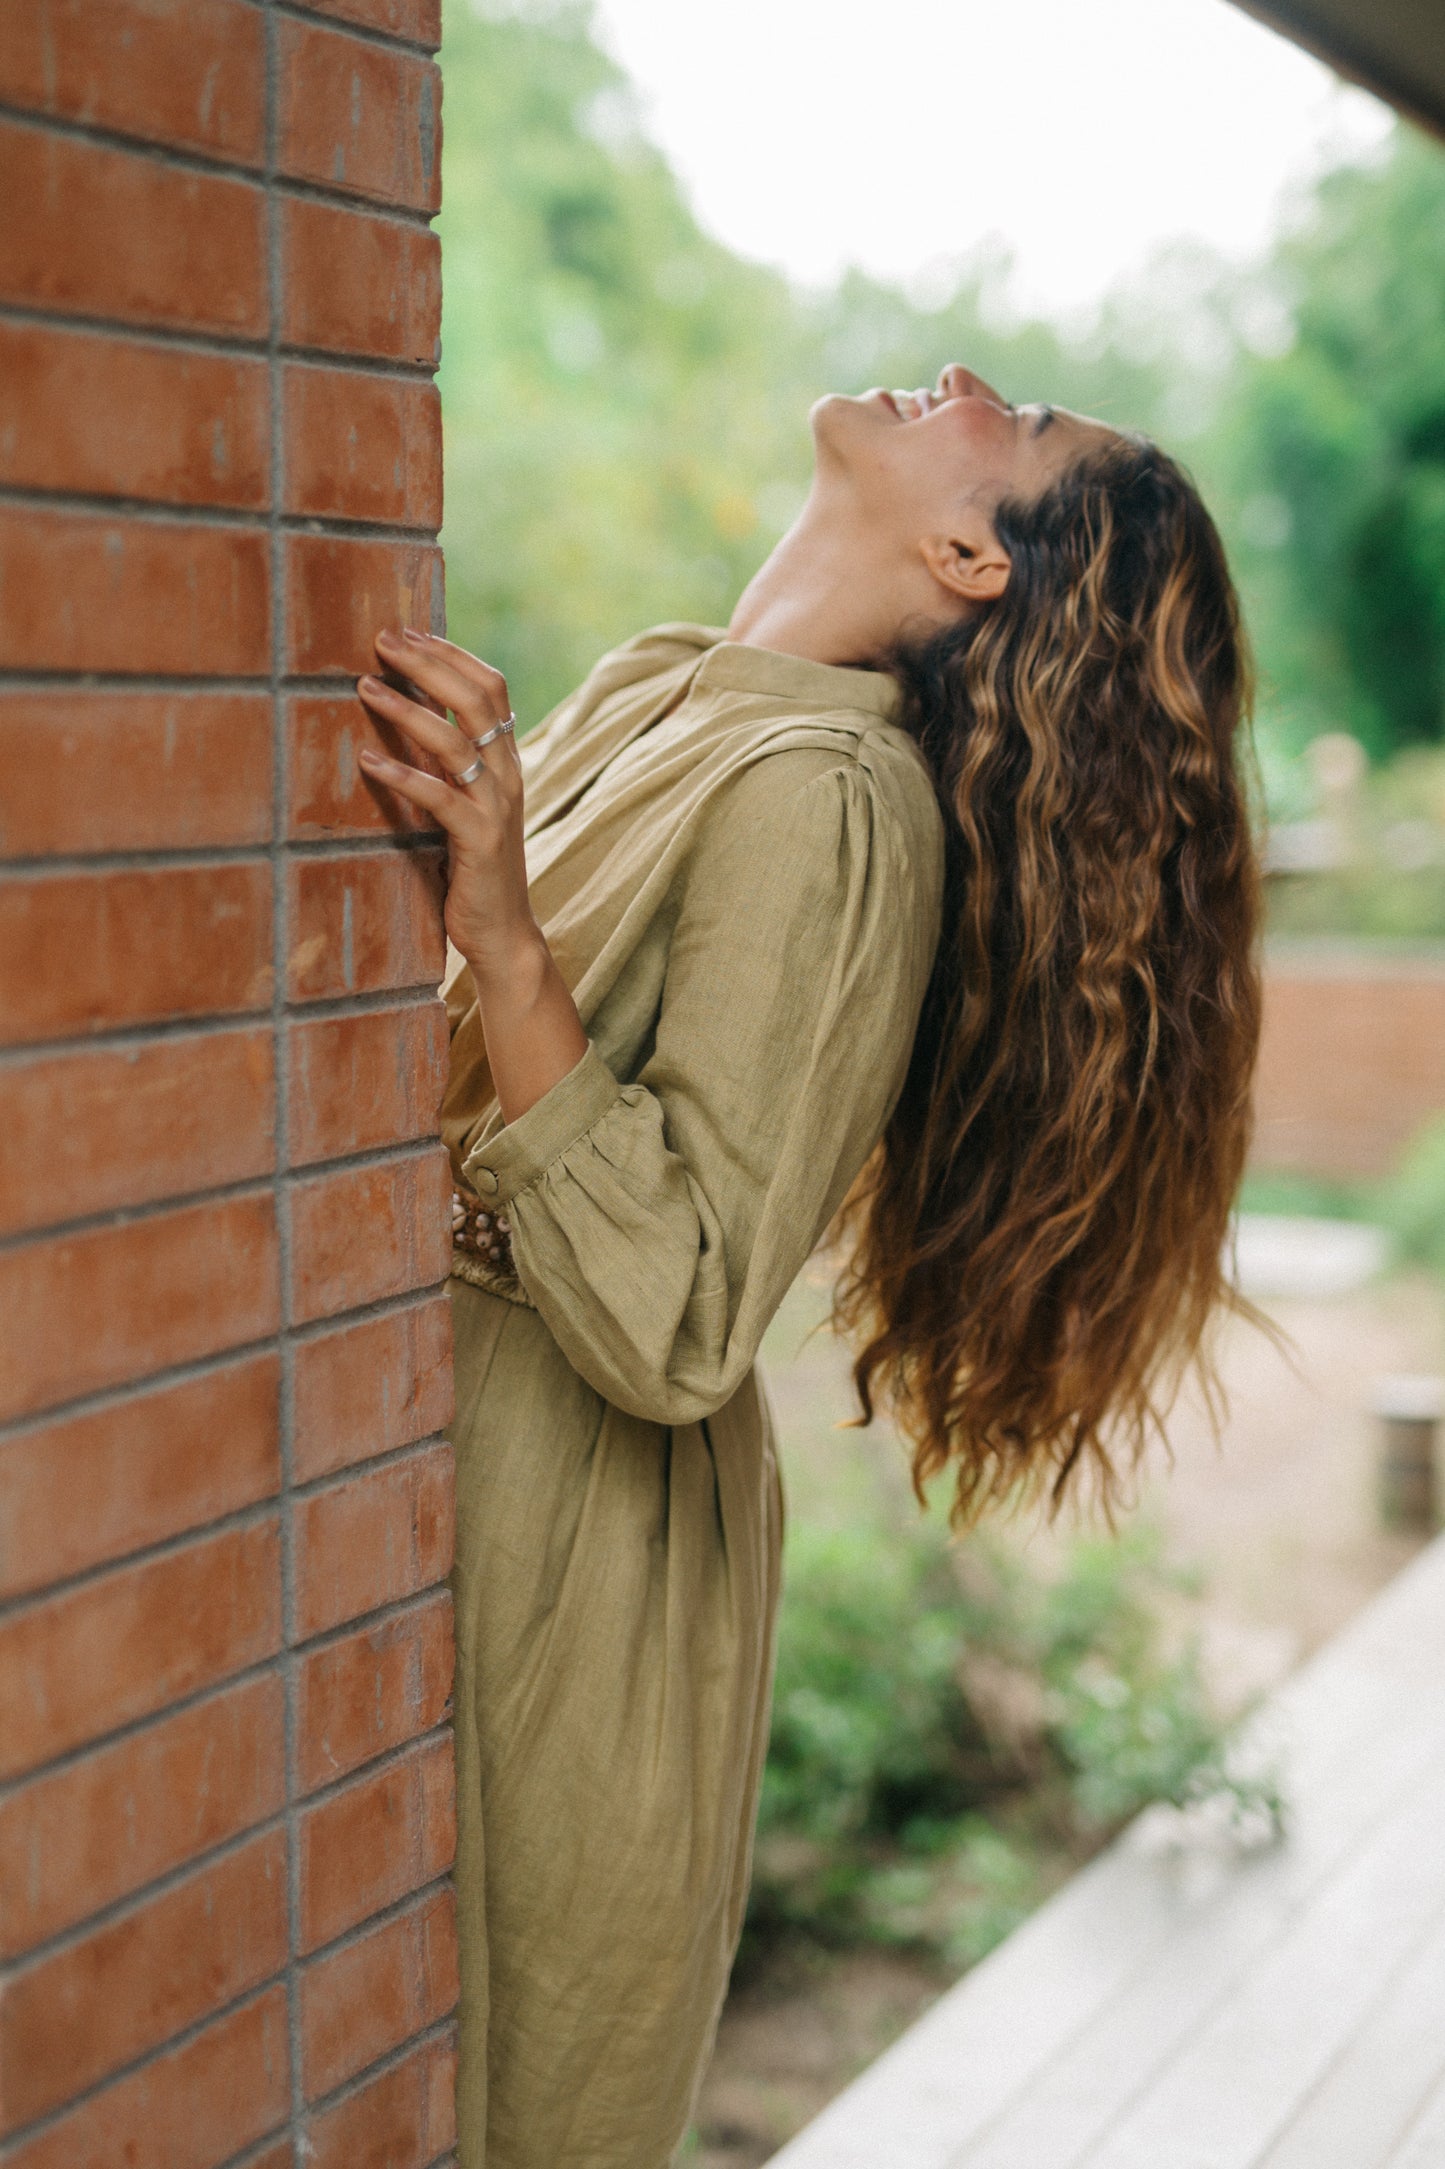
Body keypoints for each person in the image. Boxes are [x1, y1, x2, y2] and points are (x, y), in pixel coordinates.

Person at [353, 362, 1261, 2168]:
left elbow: (684, 1313)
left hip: (563, 1537)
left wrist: (507, 948)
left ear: (965, 553)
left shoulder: (834, 801)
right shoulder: (668, 687)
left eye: (1021, 424)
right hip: (431, 1461)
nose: (972, 380)